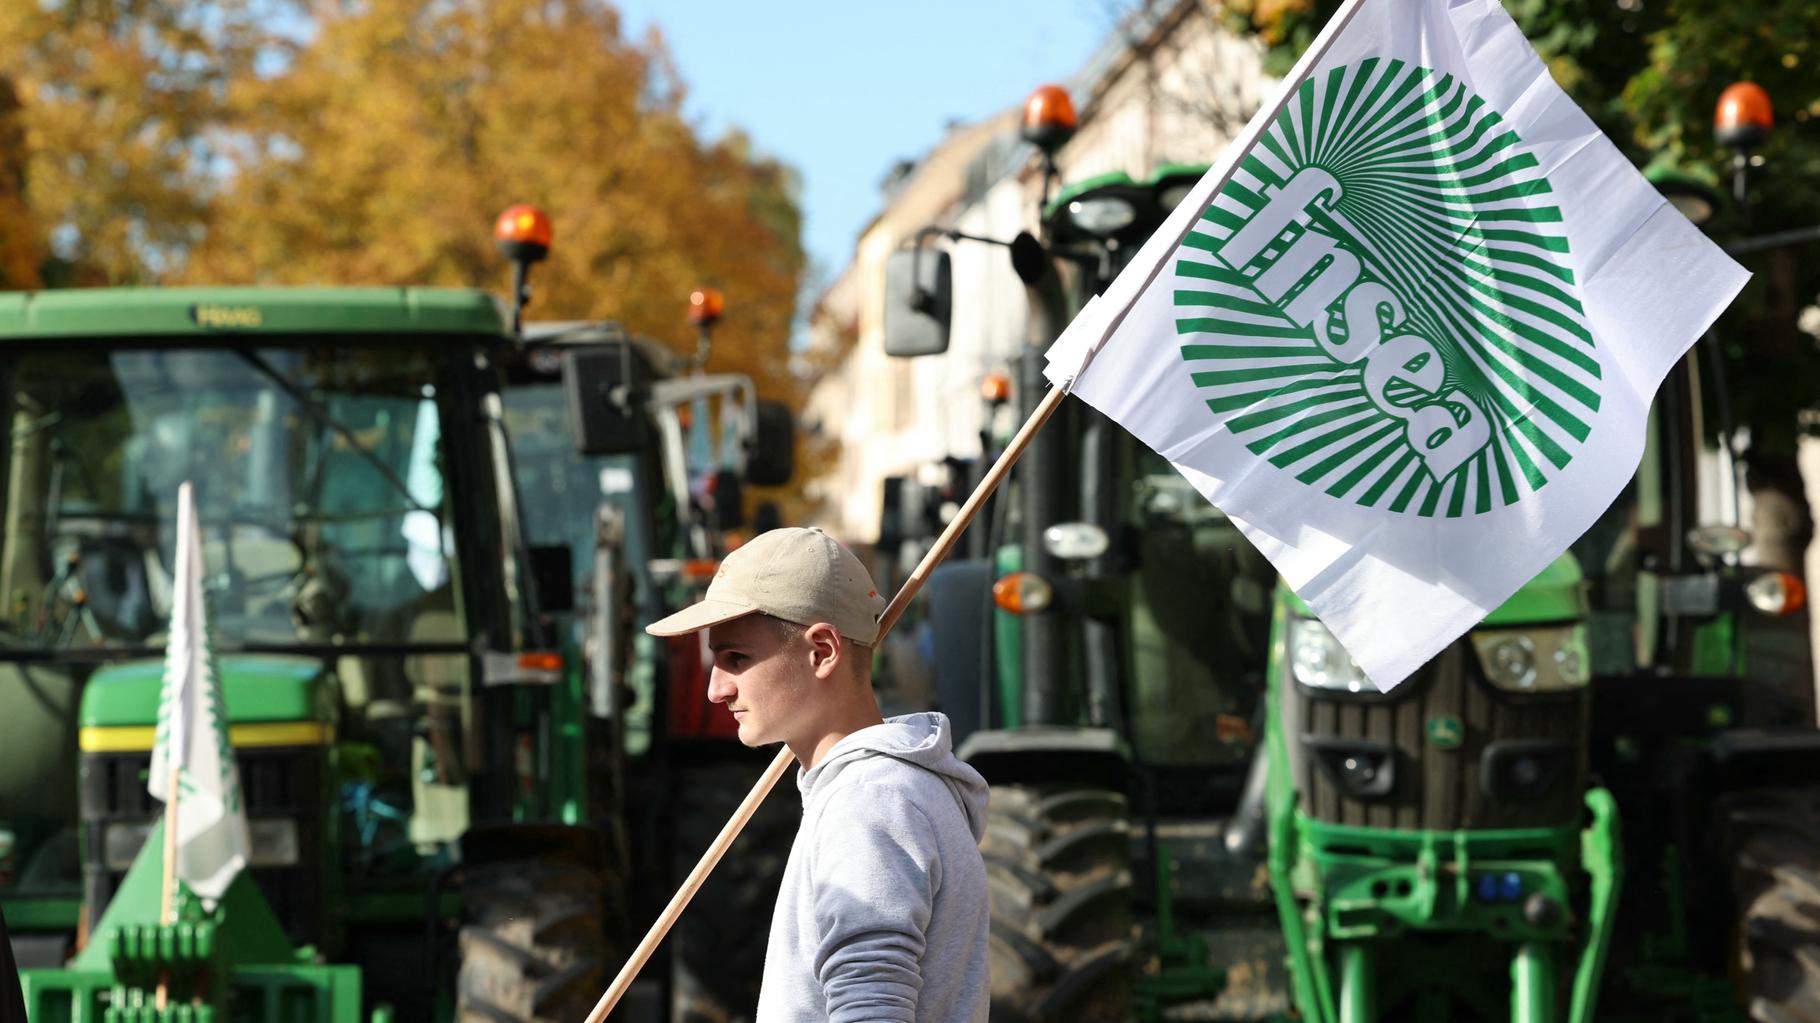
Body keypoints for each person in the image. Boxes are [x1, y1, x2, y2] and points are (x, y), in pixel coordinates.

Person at [647, 526, 990, 1023]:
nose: (715, 690)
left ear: (823, 651)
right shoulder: (880, 792)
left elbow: (871, 1011)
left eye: (736, 658)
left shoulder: (870, 805)